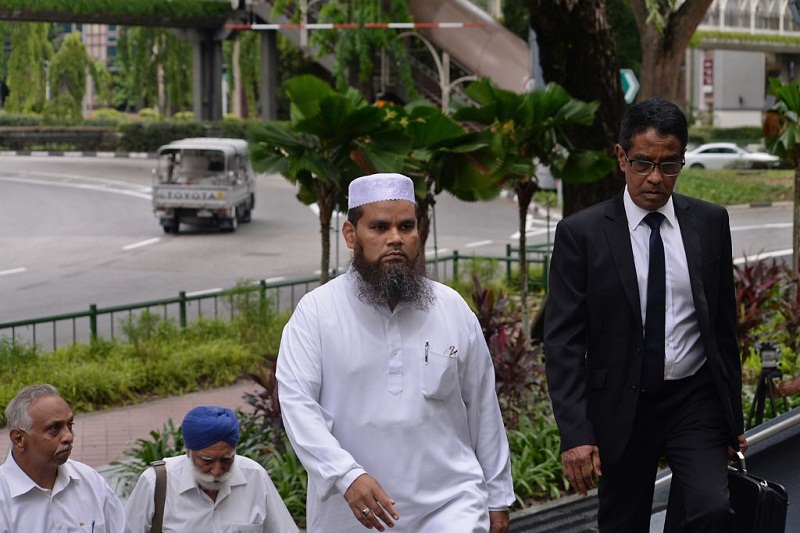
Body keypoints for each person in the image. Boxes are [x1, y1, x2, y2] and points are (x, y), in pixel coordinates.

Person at [544, 98, 748, 532]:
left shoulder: (710, 223)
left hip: (692, 398)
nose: (655, 177)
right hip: (621, 402)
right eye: (643, 163)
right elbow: (563, 342)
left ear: (682, 161)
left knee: (711, 508)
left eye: (668, 165)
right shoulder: (582, 234)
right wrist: (576, 434)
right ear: (622, 158)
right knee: (623, 523)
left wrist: (733, 420)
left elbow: (723, 327)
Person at [276, 172, 514, 533]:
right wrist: (346, 475)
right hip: (353, 513)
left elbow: (483, 406)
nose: (395, 239)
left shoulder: (451, 307)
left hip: (451, 505)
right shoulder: (317, 313)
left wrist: (498, 498)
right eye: (379, 227)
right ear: (351, 234)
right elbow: (298, 406)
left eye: (406, 226)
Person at [124, 405, 298, 533]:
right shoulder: (156, 483)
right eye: (206, 460)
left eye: (227, 459)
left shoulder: (255, 476)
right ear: (188, 452)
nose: (217, 471)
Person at [0, 384, 127, 532]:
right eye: (54, 428)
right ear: (19, 439)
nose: (68, 436)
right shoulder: (3, 498)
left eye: (70, 425)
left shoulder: (90, 481)